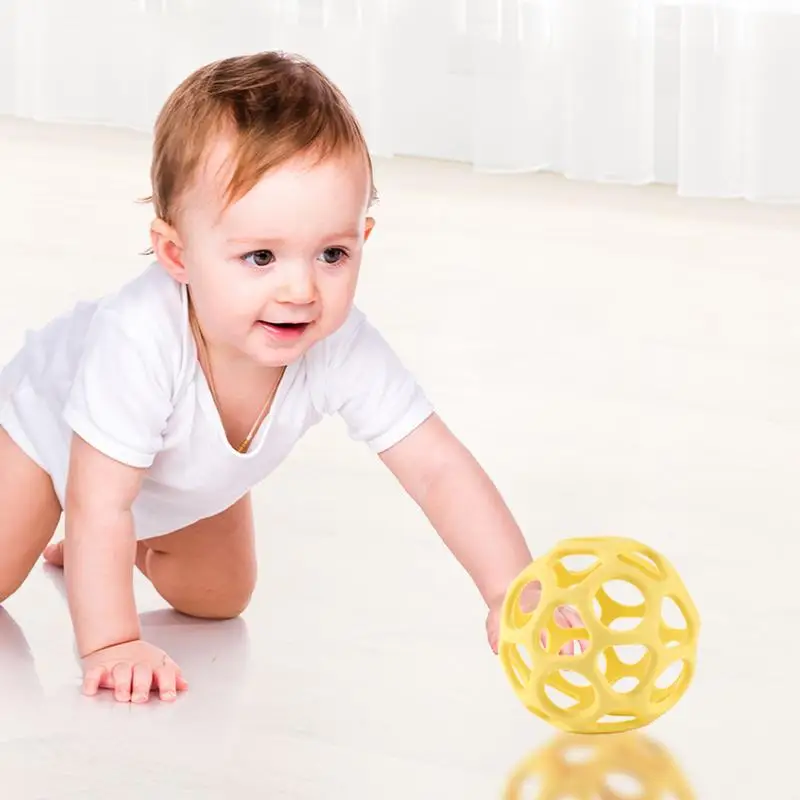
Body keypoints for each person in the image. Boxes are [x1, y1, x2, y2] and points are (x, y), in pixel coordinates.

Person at [0, 51, 536, 704]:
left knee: (218, 598)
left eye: (332, 254)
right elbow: (99, 499)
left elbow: (437, 468)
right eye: (260, 256)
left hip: (168, 478)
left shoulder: (339, 343)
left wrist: (512, 587)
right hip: (48, 442)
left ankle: (99, 552)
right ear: (178, 255)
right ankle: (86, 549)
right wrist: (112, 642)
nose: (300, 289)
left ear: (363, 237)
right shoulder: (136, 337)